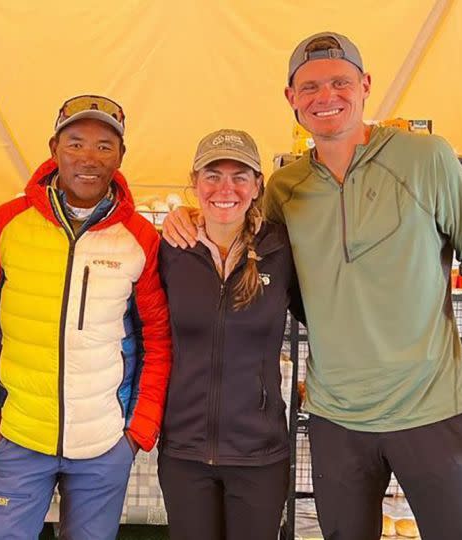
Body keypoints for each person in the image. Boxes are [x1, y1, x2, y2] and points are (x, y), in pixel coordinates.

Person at [163, 32, 462, 540]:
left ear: (365, 86)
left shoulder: (426, 158)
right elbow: (243, 233)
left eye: (339, 81)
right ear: (291, 99)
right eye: (309, 86)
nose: (325, 96)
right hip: (337, 418)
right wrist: (183, 216)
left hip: (432, 409)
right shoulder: (286, 189)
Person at [0, 94, 171, 540]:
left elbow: (157, 339)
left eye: (104, 146)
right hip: (19, 437)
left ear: (120, 156)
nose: (89, 157)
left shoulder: (138, 237)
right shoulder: (8, 223)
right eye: (75, 142)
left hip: (103, 446)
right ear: (53, 147)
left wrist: (137, 432)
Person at [157, 129, 301, 540]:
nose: (226, 189)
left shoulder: (283, 250)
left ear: (258, 186)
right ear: (195, 182)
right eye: (213, 175)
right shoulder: (169, 249)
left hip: (259, 454)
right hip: (184, 452)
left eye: (240, 176)